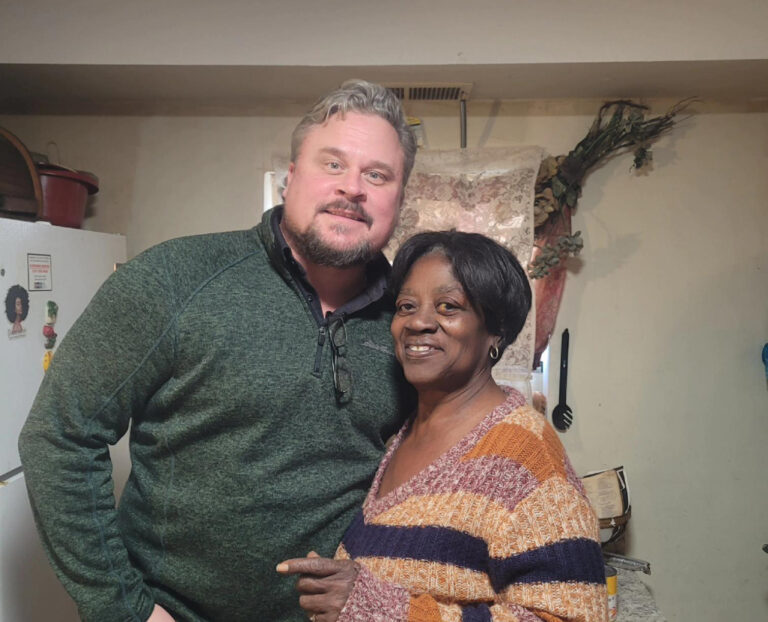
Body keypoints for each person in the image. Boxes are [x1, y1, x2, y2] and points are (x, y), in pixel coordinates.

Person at [18, 80, 416, 622]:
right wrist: (126, 611)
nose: (353, 188)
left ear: (400, 198)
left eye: (378, 175)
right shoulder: (173, 280)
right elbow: (59, 435)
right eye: (332, 164)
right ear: (291, 177)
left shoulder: (411, 325)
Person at [278, 231, 607, 622]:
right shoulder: (403, 435)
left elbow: (571, 617)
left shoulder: (524, 457)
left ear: (495, 332)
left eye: (448, 307)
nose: (418, 322)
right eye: (405, 306)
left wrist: (382, 611)